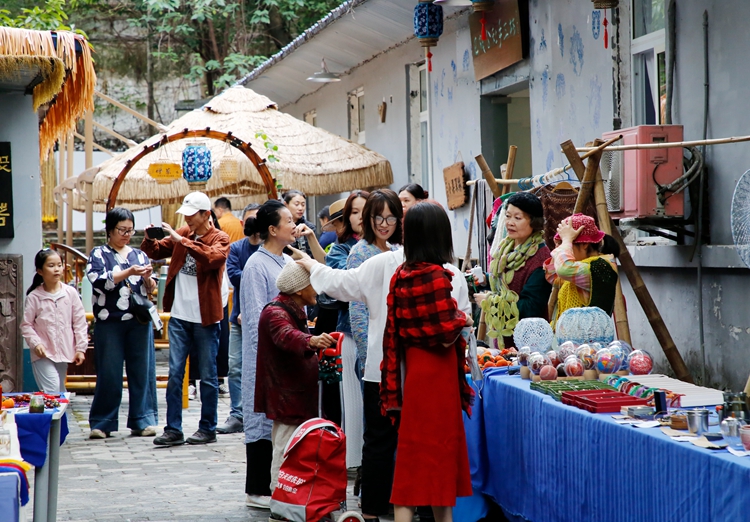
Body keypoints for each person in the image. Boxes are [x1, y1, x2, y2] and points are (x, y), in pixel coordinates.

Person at [296, 201, 471, 522]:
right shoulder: (451, 275)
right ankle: (429, 514)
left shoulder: (387, 267)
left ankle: (373, 512)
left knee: (381, 446)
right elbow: (456, 327)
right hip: (432, 383)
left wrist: (311, 264)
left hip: (384, 372)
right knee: (432, 454)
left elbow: (340, 284)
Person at [382, 202, 474, 522]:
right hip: (437, 376)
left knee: (413, 463)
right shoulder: (439, 276)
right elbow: (447, 330)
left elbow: (397, 329)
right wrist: (463, 320)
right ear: (440, 235)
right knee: (438, 461)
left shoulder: (400, 275)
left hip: (412, 373)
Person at [141, 192, 230, 446]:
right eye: (186, 216)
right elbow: (156, 252)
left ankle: (208, 428)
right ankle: (173, 429)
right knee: (175, 374)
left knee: (209, 377)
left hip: (206, 318)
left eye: (192, 216)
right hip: (180, 316)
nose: (188, 220)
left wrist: (182, 239)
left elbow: (213, 259)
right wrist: (150, 239)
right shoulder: (183, 233)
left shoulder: (220, 238)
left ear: (206, 215)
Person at [255, 262, 335, 489]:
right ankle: (280, 501)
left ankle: (290, 499)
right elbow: (286, 335)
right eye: (312, 284)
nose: (317, 290)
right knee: (284, 447)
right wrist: (311, 340)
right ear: (299, 290)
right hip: (286, 397)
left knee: (291, 446)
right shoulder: (275, 313)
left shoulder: (290, 309)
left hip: (295, 396)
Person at [240, 199, 298, 509]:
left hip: (285, 354)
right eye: (288, 220)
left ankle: (279, 482)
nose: (294, 224)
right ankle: (257, 488)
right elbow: (254, 320)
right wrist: (267, 357)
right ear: (272, 229)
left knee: (279, 420)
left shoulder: (288, 261)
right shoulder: (255, 265)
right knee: (260, 419)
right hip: (264, 356)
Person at [86, 207, 158, 439]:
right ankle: (102, 422)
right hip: (109, 322)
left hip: (138, 321)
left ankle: (142, 420)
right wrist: (128, 272)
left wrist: (148, 279)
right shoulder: (98, 254)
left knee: (141, 371)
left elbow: (152, 288)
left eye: (130, 230)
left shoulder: (140, 255)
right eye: (121, 230)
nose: (126, 234)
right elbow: (98, 281)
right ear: (109, 230)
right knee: (109, 372)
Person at [323, 192, 368, 468]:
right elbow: (348, 286)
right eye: (355, 212)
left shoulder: (392, 248)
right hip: (352, 332)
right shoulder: (339, 251)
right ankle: (357, 465)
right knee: (354, 405)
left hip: (387, 332)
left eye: (366, 211)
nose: (361, 217)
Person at [474, 192, 552, 348]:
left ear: (534, 222)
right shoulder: (507, 247)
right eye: (508, 216)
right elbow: (506, 281)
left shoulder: (541, 258)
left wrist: (491, 303)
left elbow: (530, 307)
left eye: (518, 218)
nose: (510, 222)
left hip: (529, 345)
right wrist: (486, 279)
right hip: (505, 341)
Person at [217, 203, 262, 435]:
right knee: (235, 367)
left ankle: (260, 413)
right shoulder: (236, 248)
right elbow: (235, 276)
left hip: (265, 319)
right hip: (239, 318)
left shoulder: (272, 249)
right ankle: (238, 414)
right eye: (250, 220)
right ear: (243, 223)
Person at [347, 189, 402, 375]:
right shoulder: (360, 253)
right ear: (368, 217)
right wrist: (368, 358)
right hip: (374, 354)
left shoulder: (396, 250)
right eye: (378, 218)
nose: (384, 224)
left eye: (391, 218)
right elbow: (357, 312)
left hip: (398, 349)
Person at [21, 249, 87, 394]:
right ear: (40, 271)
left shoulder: (70, 293)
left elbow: (79, 322)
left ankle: (59, 417)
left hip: (64, 351)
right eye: (51, 265)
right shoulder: (35, 296)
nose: (56, 269)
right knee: (52, 388)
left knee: (59, 390)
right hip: (42, 353)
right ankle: (53, 417)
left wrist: (80, 349)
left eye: (59, 265)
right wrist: (36, 343)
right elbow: (26, 325)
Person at [544, 213, 619, 328]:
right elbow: (553, 276)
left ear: (584, 244)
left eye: (568, 244)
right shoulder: (579, 267)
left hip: (587, 341)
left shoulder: (599, 266)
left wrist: (566, 241)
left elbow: (563, 269)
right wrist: (563, 244)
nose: (563, 247)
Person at [283, 189, 320, 259]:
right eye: (296, 204)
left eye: (303, 204)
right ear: (286, 204)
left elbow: (314, 253)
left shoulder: (309, 227)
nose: (300, 208)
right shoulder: (280, 226)